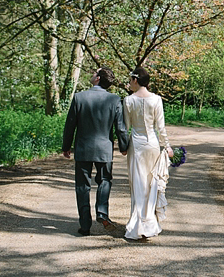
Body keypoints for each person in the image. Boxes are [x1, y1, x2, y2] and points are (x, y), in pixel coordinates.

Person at [62, 67, 129, 236]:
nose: (91, 75)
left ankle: (85, 225)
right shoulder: (115, 100)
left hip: (83, 148)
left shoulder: (79, 97)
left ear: (98, 78)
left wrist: (66, 146)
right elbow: (120, 128)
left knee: (82, 186)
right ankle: (101, 212)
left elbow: (70, 125)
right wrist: (123, 146)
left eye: (94, 73)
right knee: (105, 180)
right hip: (104, 149)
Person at [123, 66, 173, 240]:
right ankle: (149, 222)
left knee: (138, 184)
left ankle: (137, 224)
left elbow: (126, 127)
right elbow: (161, 127)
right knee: (151, 183)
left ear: (136, 80)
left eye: (130, 80)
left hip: (136, 145)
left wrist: (123, 145)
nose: (129, 83)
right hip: (152, 144)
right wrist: (167, 146)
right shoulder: (156, 99)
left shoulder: (128, 101)